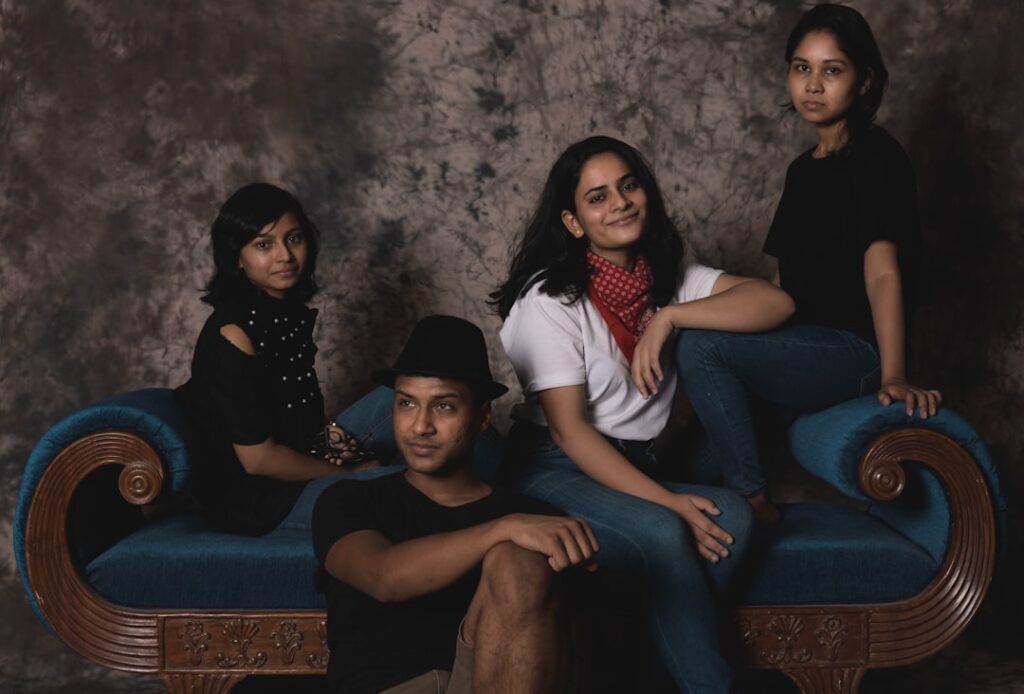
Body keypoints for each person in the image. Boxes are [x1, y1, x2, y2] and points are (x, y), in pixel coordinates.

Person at [492, 135, 791, 693]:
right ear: (573, 222)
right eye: (598, 197)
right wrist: (668, 502)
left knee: (734, 517)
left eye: (628, 186)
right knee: (663, 529)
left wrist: (669, 318)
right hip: (554, 466)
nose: (620, 203)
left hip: (636, 464)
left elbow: (777, 302)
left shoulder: (668, 279)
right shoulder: (549, 300)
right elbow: (570, 432)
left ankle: (641, 675)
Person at [663, 3, 942, 524]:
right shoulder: (801, 173)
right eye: (802, 68)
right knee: (683, 468)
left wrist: (894, 373)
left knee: (702, 346)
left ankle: (753, 500)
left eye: (832, 70)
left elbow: (883, 272)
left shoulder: (878, 157)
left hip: (854, 352)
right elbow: (781, 285)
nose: (813, 84)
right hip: (800, 351)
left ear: (864, 81)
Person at [313, 315, 598, 694]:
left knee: (520, 561)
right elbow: (383, 578)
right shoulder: (350, 500)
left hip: (490, 683)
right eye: (406, 403)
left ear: (482, 417)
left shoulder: (537, 521)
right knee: (517, 547)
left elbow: (572, 656)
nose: (420, 426)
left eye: (444, 406)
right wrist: (505, 528)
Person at [176, 183, 376, 536]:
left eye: (293, 239)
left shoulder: (284, 314)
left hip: (302, 454)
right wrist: (348, 474)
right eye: (264, 245)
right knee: (406, 486)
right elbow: (259, 460)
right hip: (256, 498)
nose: (285, 255)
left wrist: (335, 440)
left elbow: (297, 407)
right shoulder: (234, 332)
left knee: (401, 397)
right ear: (237, 257)